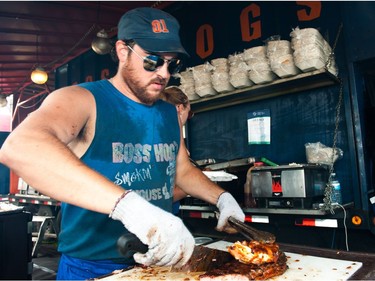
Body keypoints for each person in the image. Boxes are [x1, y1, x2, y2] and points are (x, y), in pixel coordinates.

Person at [0, 7, 245, 280]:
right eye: (152, 61)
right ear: (122, 51)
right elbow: (19, 147)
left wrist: (222, 198)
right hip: (91, 267)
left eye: (171, 64)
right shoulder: (82, 99)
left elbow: (181, 170)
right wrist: (132, 209)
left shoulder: (168, 112)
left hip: (156, 265)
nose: (163, 73)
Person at [160, 86, 193, 214]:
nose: (187, 118)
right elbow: (165, 194)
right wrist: (194, 186)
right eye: (189, 113)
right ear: (179, 108)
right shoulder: (167, 141)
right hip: (162, 216)